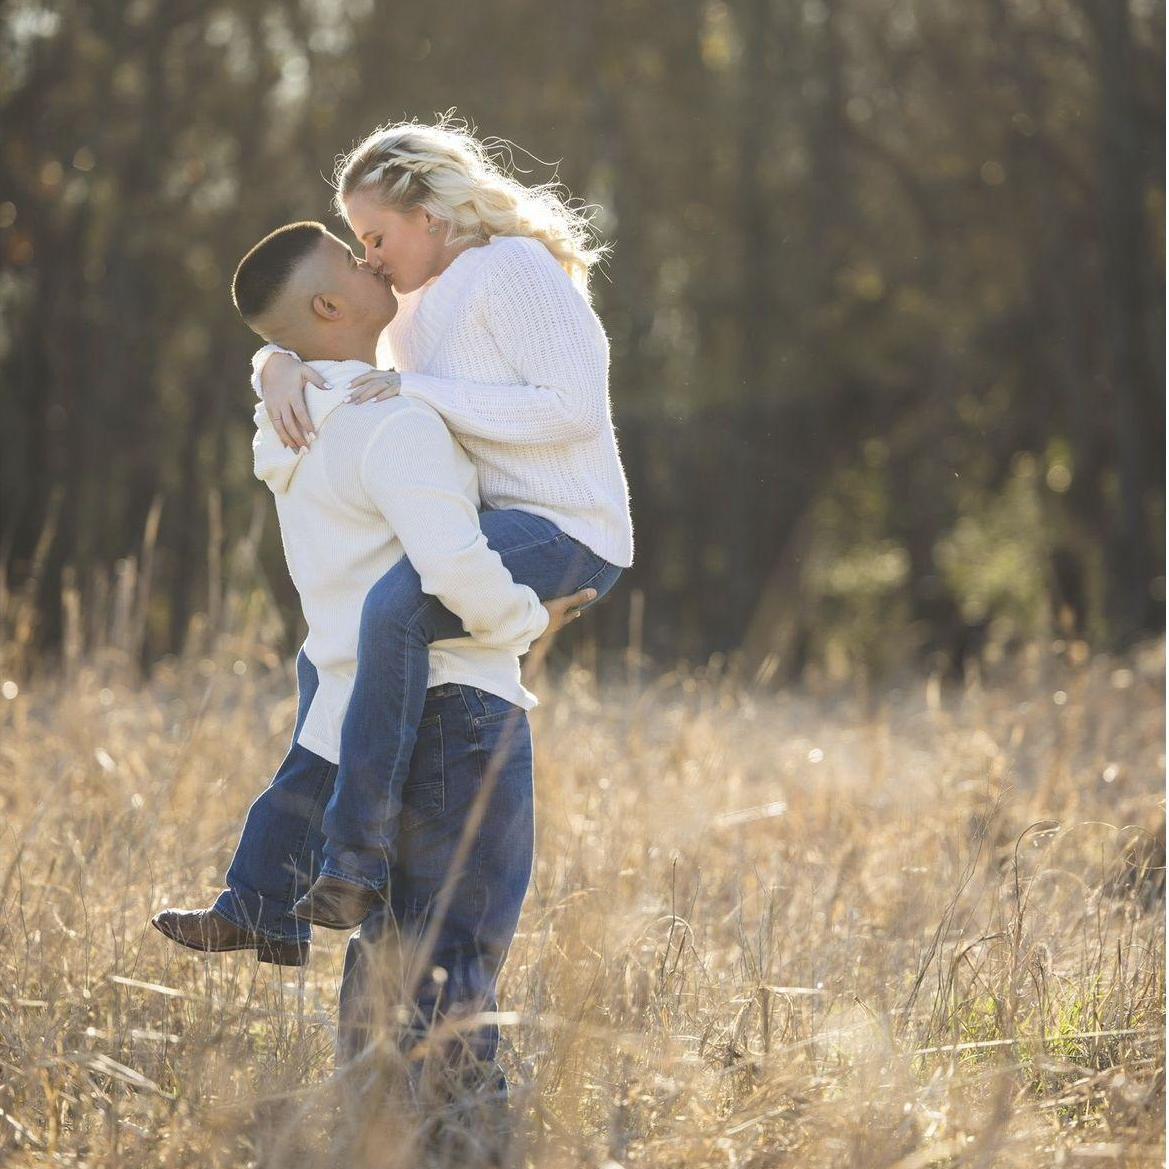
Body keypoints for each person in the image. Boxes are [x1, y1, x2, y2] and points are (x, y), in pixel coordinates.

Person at [151, 216, 591, 1071]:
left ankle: (372, 1132)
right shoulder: (395, 426)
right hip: (455, 702)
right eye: (352, 258)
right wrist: (531, 621)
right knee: (454, 957)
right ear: (328, 301)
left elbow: (284, 365)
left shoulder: (285, 423)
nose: (370, 257)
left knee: (391, 957)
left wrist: (273, 360)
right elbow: (455, 566)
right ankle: (459, 1144)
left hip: (358, 707)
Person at [252, 115, 634, 920]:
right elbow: (326, 329)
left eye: (376, 236)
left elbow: (571, 410)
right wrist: (274, 365)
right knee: (339, 647)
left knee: (394, 606)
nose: (369, 258)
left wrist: (415, 389)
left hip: (568, 529)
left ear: (430, 214)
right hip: (503, 527)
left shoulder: (513, 267)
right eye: (359, 243)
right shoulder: (416, 308)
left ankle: (353, 857)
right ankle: (271, 889)